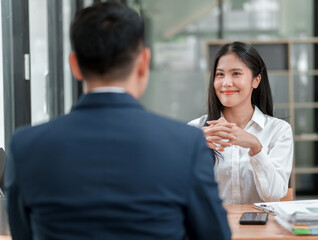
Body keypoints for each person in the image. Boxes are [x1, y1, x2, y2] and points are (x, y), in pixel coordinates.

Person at [4, 3, 231, 240]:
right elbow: (214, 235)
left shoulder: (25, 146)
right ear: (143, 62)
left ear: (75, 65)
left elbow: (23, 233)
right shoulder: (186, 143)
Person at [189, 41, 293, 204]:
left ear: (256, 80)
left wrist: (255, 147)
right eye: (220, 74)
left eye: (236, 73)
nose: (226, 83)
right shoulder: (195, 129)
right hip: (211, 226)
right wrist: (191, 146)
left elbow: (274, 195)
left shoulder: (279, 130)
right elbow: (178, 191)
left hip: (261, 227)